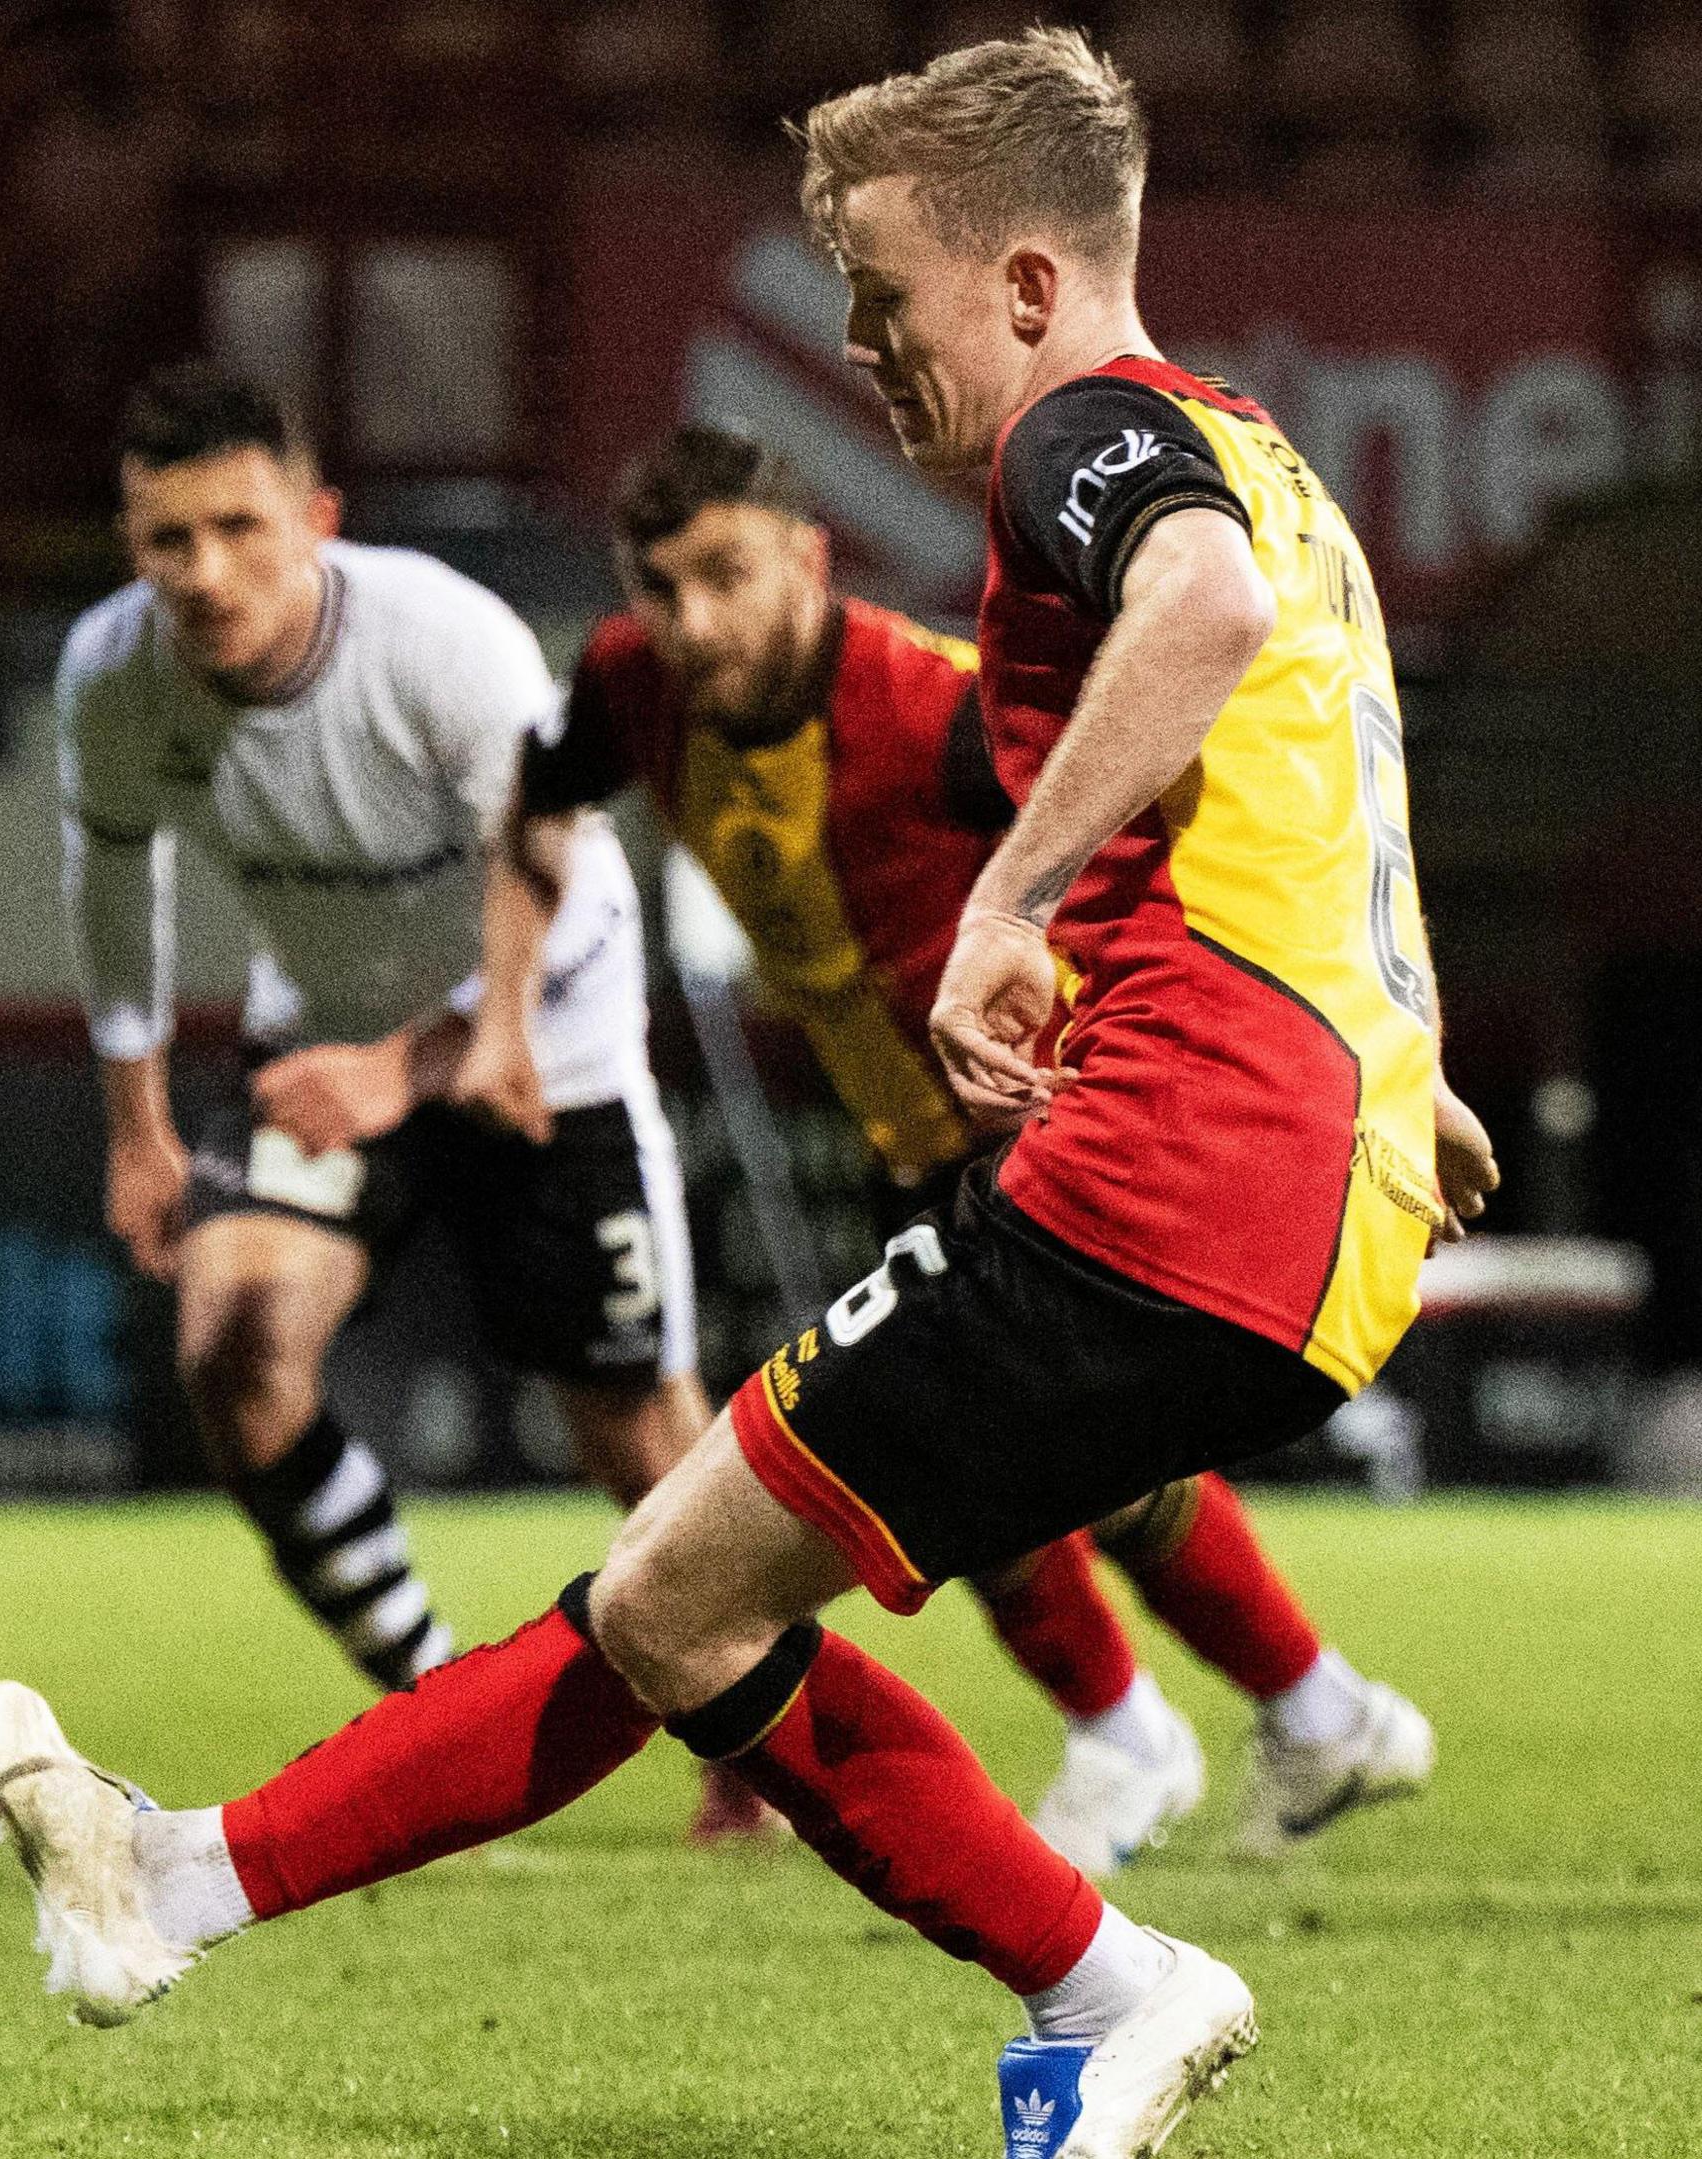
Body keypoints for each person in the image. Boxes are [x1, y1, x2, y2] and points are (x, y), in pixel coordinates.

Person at [0, 35, 1498, 2159]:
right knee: (688, 1589)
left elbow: (1205, 616)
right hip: (1288, 1198)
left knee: (679, 1582)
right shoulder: (1268, 459)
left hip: (1162, 1184)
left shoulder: (1090, 434)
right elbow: (1303, 758)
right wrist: (1399, 1080)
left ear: (1032, 282)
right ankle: (190, 1872)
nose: (861, 349)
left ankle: (1116, 1965)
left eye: (885, 297)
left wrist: (1007, 903)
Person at [531, 421, 1436, 1871]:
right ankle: (1311, 1711)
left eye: (728, 574)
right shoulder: (630, 686)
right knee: (1074, 1474)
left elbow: (1165, 824)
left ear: (809, 560)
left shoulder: (932, 711)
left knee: (948, 1459)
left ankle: (1134, 1736)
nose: (695, 622)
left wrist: (1378, 1048)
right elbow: (539, 793)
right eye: (662, 585)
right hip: (911, 1140)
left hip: (1063, 1139)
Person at [58, 362, 708, 1696]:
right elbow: (113, 885)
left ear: (318, 521)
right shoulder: (113, 675)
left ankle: (759, 1742)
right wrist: (137, 1124)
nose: (203, 572)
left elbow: (577, 898)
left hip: (544, 1049)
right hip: (322, 1047)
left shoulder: (443, 643)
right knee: (235, 1353)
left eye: (241, 528)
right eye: (167, 540)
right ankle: (431, 1694)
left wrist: (414, 1064)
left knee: (641, 1444)